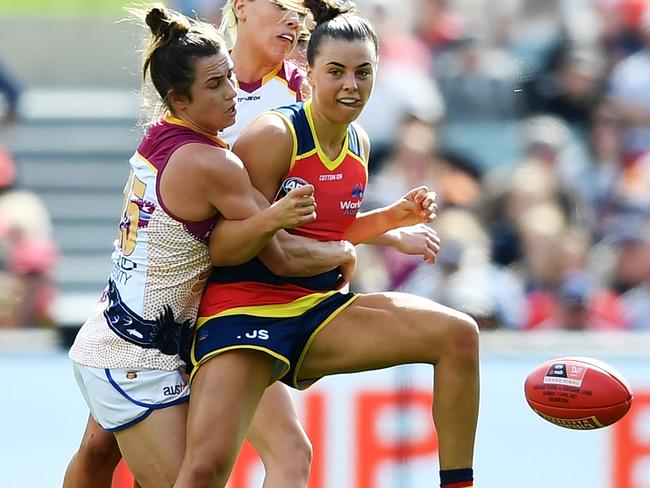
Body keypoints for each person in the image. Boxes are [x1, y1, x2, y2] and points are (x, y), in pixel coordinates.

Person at [174, 2, 479, 488]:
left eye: (363, 72)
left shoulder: (358, 143)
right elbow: (225, 246)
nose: (350, 85)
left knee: (459, 334)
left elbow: (324, 232)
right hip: (242, 312)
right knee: (205, 469)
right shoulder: (275, 135)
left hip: (316, 309)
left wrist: (390, 222)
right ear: (308, 73)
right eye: (335, 72)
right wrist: (346, 251)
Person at [66, 5, 356, 487]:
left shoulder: (160, 137)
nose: (232, 97)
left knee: (102, 453)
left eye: (229, 80)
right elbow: (280, 254)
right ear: (179, 99)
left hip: (124, 335)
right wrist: (341, 252)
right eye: (216, 87)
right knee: (197, 476)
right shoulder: (214, 163)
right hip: (137, 356)